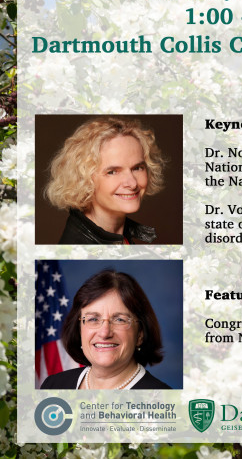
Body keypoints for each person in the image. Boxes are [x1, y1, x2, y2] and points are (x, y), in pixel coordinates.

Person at [40, 269, 171, 390]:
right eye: (93, 319)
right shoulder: (53, 385)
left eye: (120, 320)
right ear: (79, 330)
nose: (104, 333)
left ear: (140, 335)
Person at [45, 117, 166, 244]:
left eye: (137, 168)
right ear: (83, 179)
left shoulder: (120, 236)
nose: (132, 183)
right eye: (112, 172)